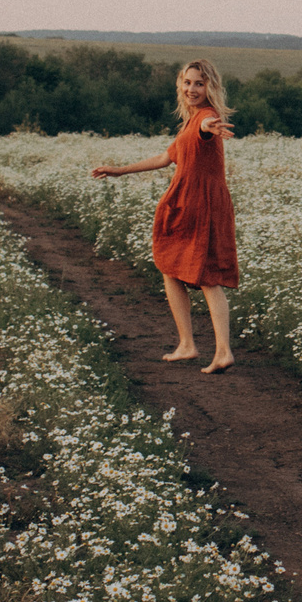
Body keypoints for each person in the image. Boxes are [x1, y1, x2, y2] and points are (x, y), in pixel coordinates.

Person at [90, 59, 240, 373]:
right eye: (188, 83)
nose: (192, 89)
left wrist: (210, 127)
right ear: (180, 85)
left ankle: (222, 351)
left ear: (210, 87)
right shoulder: (191, 121)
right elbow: (164, 157)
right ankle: (188, 344)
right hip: (187, 203)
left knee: (208, 275)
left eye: (199, 83)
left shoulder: (206, 118)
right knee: (170, 267)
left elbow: (206, 130)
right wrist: (118, 171)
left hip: (201, 205)